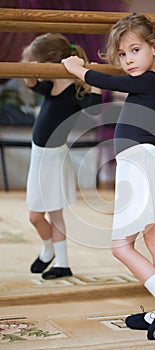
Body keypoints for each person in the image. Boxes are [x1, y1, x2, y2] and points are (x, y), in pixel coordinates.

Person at [62, 13, 155, 340]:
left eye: (135, 50)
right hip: (148, 163)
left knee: (121, 246)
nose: (127, 60)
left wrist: (79, 69)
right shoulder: (150, 85)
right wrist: (90, 80)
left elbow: (113, 83)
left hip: (139, 166)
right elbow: (104, 92)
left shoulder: (149, 81)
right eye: (121, 54)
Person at [22, 33, 101, 280]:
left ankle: (61, 262)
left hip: (53, 159)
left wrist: (94, 79)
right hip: (39, 156)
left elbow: (94, 110)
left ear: (52, 62)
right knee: (36, 216)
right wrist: (30, 70)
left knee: (48, 214)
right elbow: (31, 83)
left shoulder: (75, 91)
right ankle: (49, 252)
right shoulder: (51, 84)